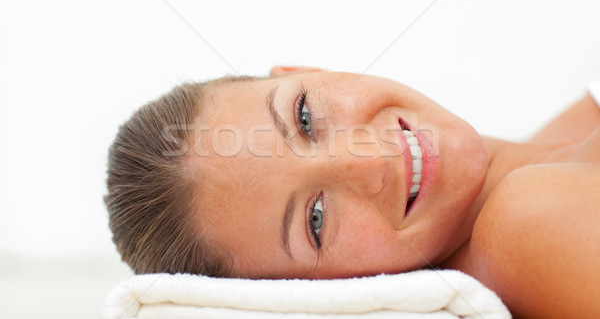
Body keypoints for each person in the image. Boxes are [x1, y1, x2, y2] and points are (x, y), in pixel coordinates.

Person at [105, 66, 600, 318]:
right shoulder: (529, 223)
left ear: (310, 67)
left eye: (303, 117)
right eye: (316, 220)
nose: (367, 160)